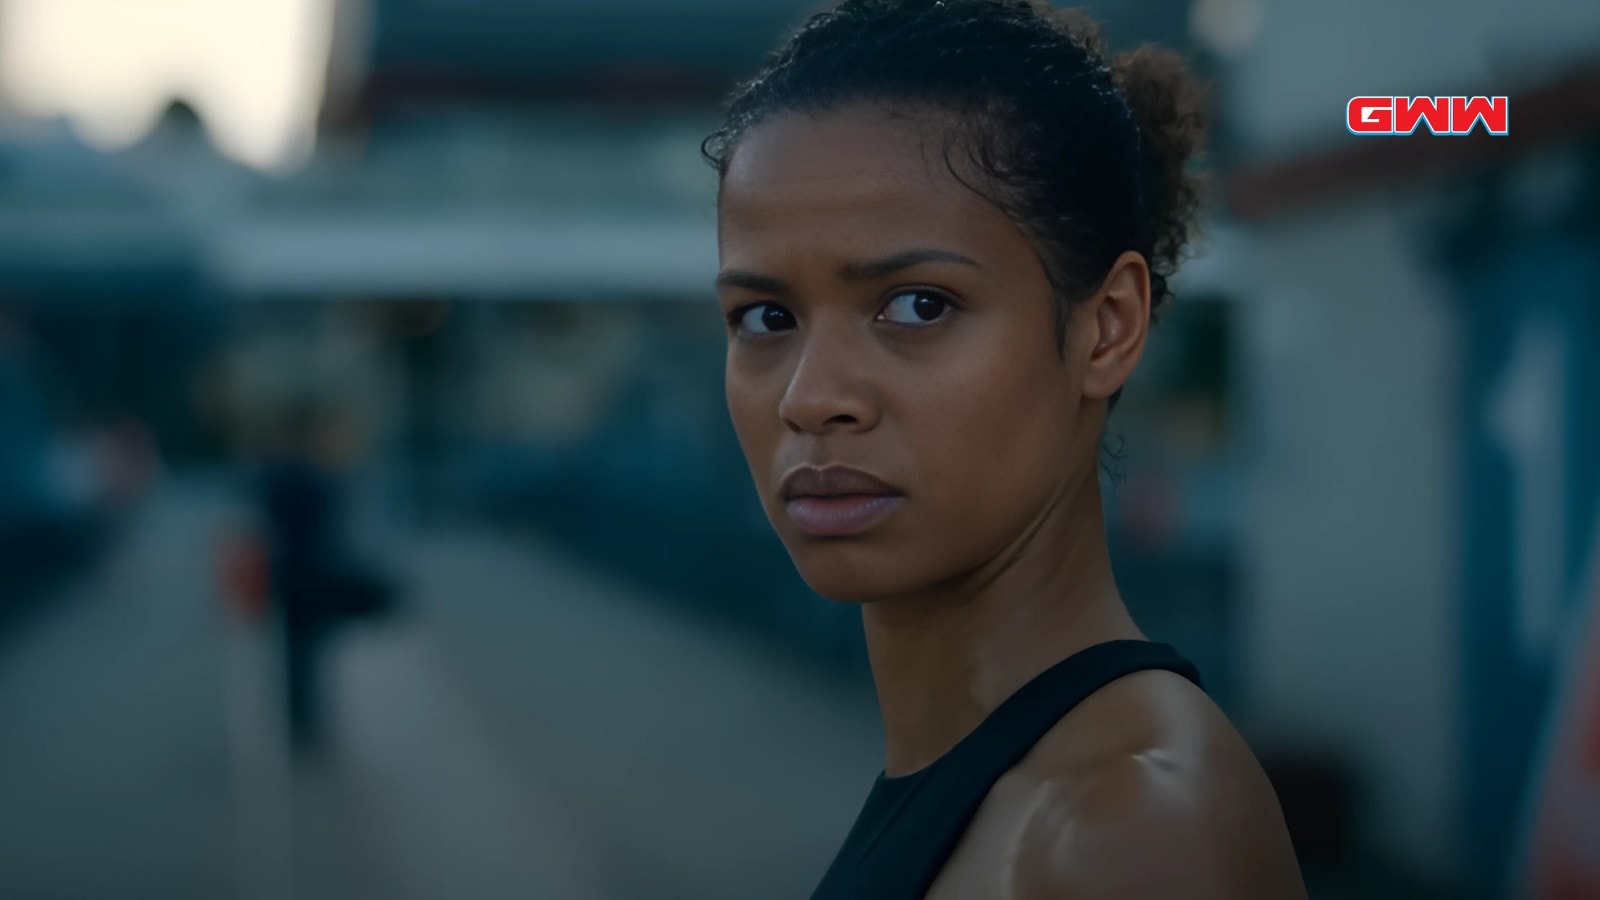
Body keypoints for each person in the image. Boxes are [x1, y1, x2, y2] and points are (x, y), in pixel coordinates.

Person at [702, 2, 1307, 897]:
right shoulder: (1017, 789)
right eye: (767, 318)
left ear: (1108, 329)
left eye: (918, 305)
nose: (810, 398)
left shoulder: (1126, 834)